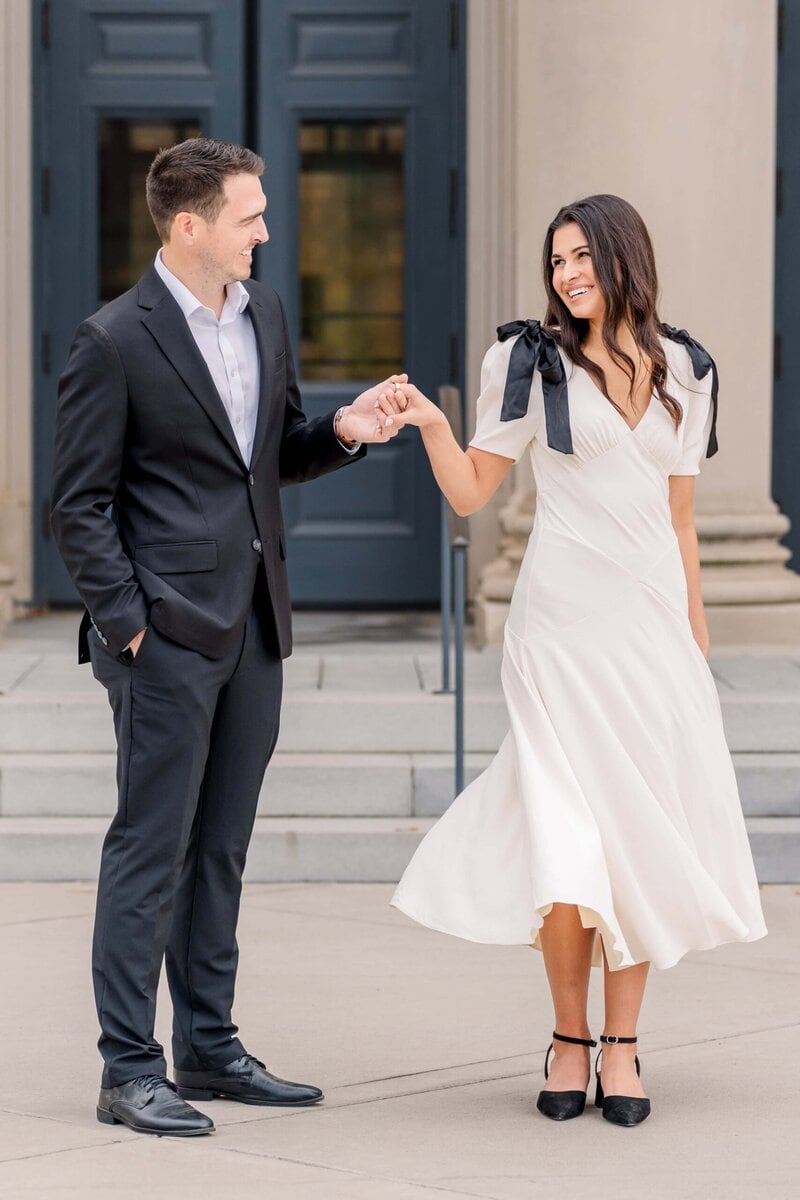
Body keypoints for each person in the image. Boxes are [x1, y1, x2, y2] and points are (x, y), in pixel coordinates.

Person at [386, 194, 766, 1127]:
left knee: (636, 836)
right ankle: (568, 1038)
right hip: (557, 634)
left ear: (623, 255)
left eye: (581, 256)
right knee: (567, 840)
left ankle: (624, 1045)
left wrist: (695, 637)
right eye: (556, 261)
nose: (566, 274)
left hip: (650, 635)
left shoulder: (688, 367)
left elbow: (680, 519)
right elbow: (472, 492)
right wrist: (432, 425)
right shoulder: (528, 362)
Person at [51, 137, 403, 1138]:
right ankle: (129, 1068)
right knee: (150, 850)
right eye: (249, 216)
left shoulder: (265, 314)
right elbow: (78, 507)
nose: (265, 232)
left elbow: (271, 456)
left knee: (220, 850)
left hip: (255, 626)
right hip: (163, 638)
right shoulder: (112, 340)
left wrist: (345, 431)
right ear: (188, 225)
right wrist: (129, 626)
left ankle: (207, 1046)